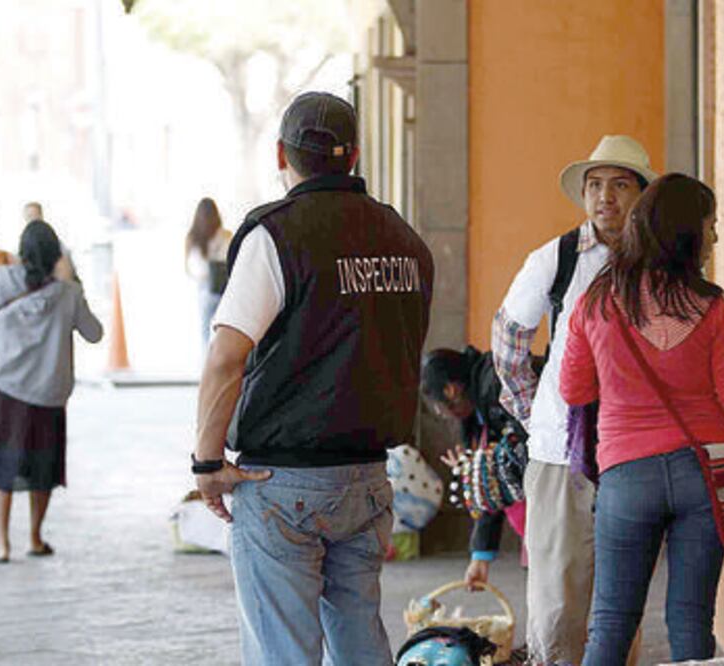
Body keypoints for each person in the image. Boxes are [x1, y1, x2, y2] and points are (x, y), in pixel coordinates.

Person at [192, 91, 434, 665]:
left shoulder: (276, 236)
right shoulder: (405, 240)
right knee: (358, 638)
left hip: (284, 483)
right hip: (370, 475)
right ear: (354, 157)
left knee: (284, 650)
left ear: (282, 153)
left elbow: (226, 358)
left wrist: (206, 462)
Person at [560, 173, 724, 663]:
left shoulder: (596, 302)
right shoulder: (711, 307)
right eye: (710, 225)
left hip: (626, 477)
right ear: (685, 232)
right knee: (691, 621)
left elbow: (574, 389)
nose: (714, 237)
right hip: (704, 476)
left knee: (611, 622)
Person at [492, 135, 656, 665]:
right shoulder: (557, 257)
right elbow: (509, 336)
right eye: (595, 185)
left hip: (633, 454)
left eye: (620, 184)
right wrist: (534, 411)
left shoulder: (660, 263)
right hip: (562, 453)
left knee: (620, 600)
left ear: (641, 195)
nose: (605, 196)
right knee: (558, 602)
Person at [0, 220, 103, 563]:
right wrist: (72, 281)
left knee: (1, 467)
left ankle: (2, 544)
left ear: (21, 252)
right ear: (57, 255)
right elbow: (94, 333)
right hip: (46, 396)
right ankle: (36, 538)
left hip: (1, 388)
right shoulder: (69, 294)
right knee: (42, 467)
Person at [421, 347, 533, 585]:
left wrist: (476, 469)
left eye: (440, 407)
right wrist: (480, 557)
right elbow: (488, 487)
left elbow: (519, 452)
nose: (444, 415)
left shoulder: (495, 381)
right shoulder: (473, 417)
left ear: (451, 389)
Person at [184, 197, 232, 348]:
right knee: (224, 332)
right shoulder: (226, 235)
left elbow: (187, 269)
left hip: (204, 290)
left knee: (205, 332)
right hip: (224, 290)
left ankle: (206, 364)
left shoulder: (192, 237)